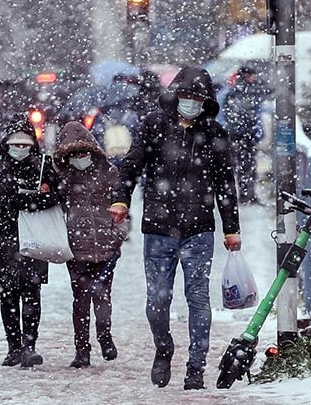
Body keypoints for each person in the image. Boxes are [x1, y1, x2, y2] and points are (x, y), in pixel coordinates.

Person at [109, 66, 242, 390]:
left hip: (199, 229)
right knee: (156, 301)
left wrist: (231, 228)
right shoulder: (154, 125)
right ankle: (163, 347)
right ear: (176, 95)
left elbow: (226, 184)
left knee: (197, 297)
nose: (191, 102)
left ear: (206, 101)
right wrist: (121, 201)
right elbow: (132, 164)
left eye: (198, 98)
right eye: (186, 96)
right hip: (158, 227)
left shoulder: (215, 134)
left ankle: (196, 366)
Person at [0, 112, 61, 368]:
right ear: (6, 144)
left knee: (32, 292)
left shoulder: (42, 165)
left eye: (25, 144)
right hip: (2, 239)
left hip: (34, 237)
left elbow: (58, 194)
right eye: (15, 144)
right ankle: (13, 347)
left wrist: (31, 201)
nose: (20, 149)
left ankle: (29, 347)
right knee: (8, 294)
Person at [53, 121, 128, 368]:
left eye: (83, 152)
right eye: (74, 154)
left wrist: (116, 235)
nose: (80, 157)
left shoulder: (109, 172)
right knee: (81, 300)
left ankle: (105, 336)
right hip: (76, 249)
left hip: (106, 246)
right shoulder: (62, 178)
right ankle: (82, 349)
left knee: (103, 297)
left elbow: (122, 206)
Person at [221, 65, 267, 204]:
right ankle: (247, 195)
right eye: (252, 75)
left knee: (243, 166)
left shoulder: (234, 91)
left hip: (240, 135)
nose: (254, 78)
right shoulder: (244, 92)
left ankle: (245, 195)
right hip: (244, 135)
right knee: (247, 166)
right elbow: (248, 113)